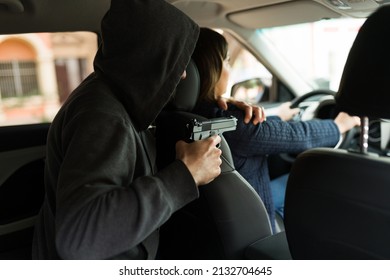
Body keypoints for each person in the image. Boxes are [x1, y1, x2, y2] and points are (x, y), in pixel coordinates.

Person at [32, 0, 264, 260]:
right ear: (151, 56)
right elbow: (80, 238)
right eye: (174, 58)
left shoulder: (110, 94)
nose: (184, 75)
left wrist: (215, 101)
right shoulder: (104, 117)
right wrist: (186, 174)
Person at [191, 27, 361, 232]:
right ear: (210, 69)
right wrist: (340, 125)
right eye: (227, 61)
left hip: (217, 222)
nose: (231, 69)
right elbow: (298, 135)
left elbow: (257, 132)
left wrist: (277, 114)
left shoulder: (179, 117)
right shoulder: (230, 123)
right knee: (314, 179)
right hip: (257, 227)